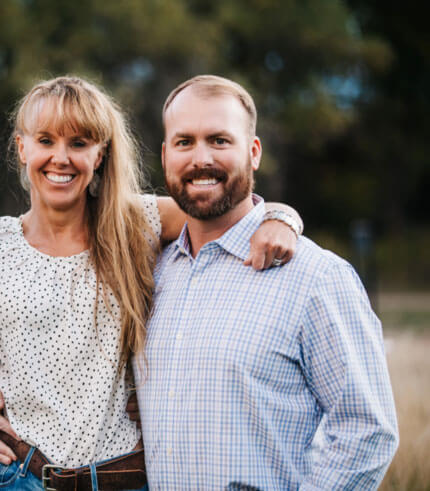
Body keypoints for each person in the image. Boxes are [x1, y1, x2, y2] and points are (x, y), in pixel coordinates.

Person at [0, 76, 301, 490]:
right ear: (21, 147)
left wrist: (282, 217)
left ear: (100, 153)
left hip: (125, 477)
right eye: (46, 140)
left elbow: (231, 211)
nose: (61, 157)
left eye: (79, 142)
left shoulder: (137, 223)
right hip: (20, 477)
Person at [137, 75, 398, 489]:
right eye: (185, 142)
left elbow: (367, 430)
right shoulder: (150, 268)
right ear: (166, 155)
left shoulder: (316, 277)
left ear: (253, 152)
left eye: (220, 140)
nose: (200, 158)